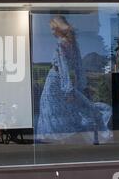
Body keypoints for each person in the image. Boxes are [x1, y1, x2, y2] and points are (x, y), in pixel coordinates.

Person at [36, 15, 112, 144]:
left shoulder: (62, 44)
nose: (51, 32)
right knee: (63, 111)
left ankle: (61, 141)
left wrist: (69, 89)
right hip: (58, 82)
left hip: (56, 83)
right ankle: (81, 137)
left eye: (53, 29)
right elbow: (77, 65)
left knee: (59, 111)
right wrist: (78, 84)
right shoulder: (72, 43)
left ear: (58, 28)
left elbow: (64, 67)